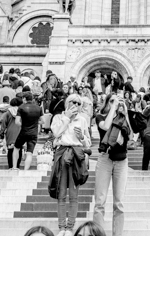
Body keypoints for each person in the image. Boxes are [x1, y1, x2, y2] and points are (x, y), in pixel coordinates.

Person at [49, 94, 92, 235]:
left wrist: (82, 137)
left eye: (78, 103)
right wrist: (66, 117)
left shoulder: (83, 120)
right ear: (67, 103)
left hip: (76, 154)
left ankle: (70, 227)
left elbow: (88, 143)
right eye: (72, 102)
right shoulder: (58, 117)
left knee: (74, 194)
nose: (75, 105)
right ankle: (62, 227)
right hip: (62, 154)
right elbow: (56, 133)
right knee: (61, 193)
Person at [93, 89, 131, 236]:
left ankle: (117, 237)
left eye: (117, 100)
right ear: (107, 102)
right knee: (99, 202)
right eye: (112, 100)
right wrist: (114, 108)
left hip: (121, 161)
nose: (115, 103)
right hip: (105, 159)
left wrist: (126, 112)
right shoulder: (100, 116)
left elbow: (133, 135)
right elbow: (106, 127)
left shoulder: (123, 118)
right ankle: (97, 235)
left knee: (119, 203)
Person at [16, 90, 43, 171]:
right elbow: (43, 121)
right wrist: (35, 122)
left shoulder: (21, 107)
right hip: (33, 132)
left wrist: (24, 123)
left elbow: (17, 122)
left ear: (24, 99)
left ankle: (14, 166)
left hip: (24, 131)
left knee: (16, 148)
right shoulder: (39, 108)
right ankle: (26, 170)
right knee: (29, 153)